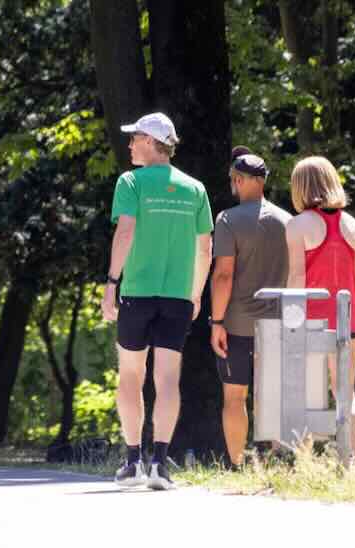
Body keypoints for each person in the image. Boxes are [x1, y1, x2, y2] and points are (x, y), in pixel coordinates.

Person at [101, 113, 213, 491]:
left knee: (131, 375)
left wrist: (111, 282)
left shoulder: (131, 182)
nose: (130, 144)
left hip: (137, 293)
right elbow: (205, 248)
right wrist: (196, 293)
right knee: (167, 378)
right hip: (178, 296)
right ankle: (160, 465)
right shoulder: (195, 189)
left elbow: (126, 231)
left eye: (134, 138)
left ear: (151, 140)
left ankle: (132, 462)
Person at [284, 156, 355, 461]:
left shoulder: (297, 226)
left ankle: (304, 463)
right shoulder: (352, 224)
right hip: (349, 322)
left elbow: (296, 277)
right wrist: (350, 314)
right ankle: (350, 464)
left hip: (312, 321)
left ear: (301, 187)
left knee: (307, 394)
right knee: (345, 392)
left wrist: (290, 319)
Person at [209, 148, 291, 466]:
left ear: (240, 180)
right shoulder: (288, 221)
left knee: (234, 397)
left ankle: (238, 465)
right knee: (273, 398)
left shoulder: (228, 220)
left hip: (237, 325)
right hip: (278, 322)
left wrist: (217, 322)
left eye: (233, 179)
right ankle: (278, 464)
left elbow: (223, 275)